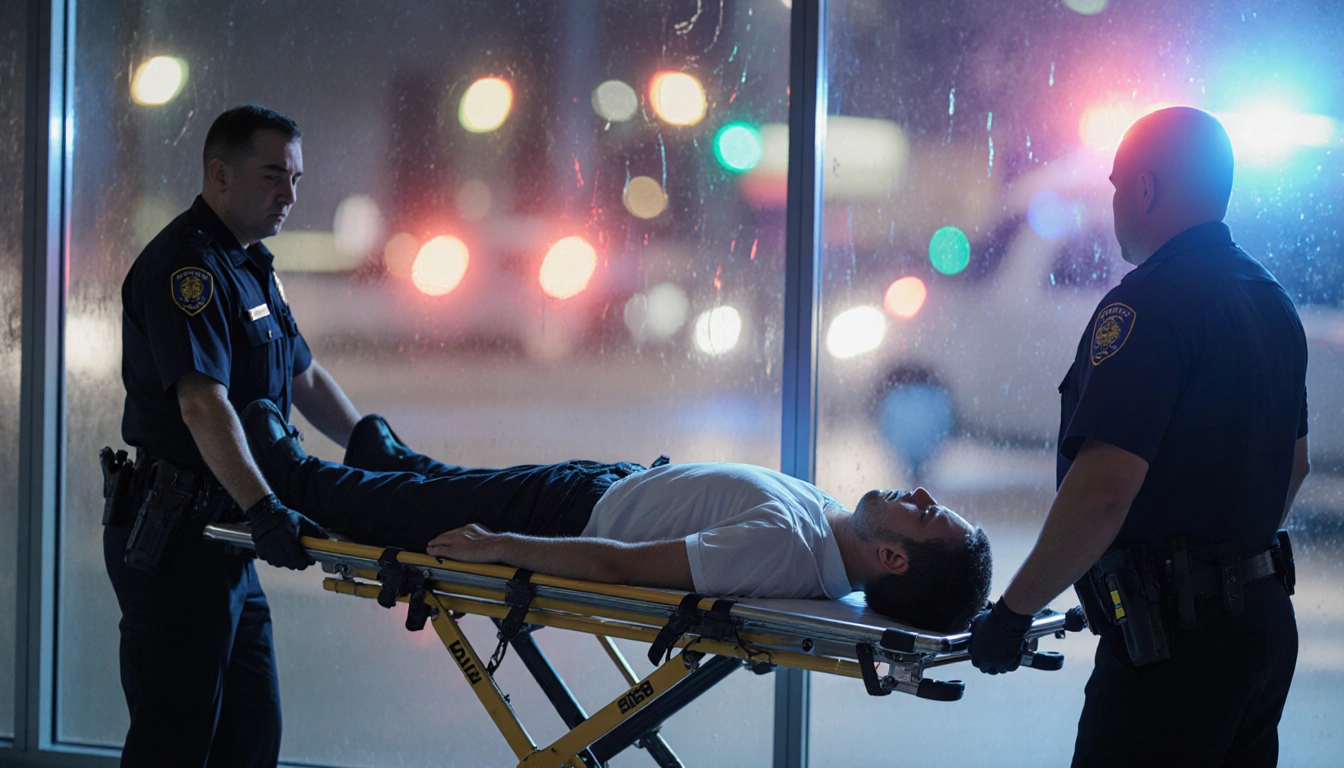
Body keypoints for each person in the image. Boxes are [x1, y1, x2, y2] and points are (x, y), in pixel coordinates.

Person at [968, 107, 1309, 766]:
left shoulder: (1146, 306)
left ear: (1145, 189)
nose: (1116, 200)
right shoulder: (1271, 300)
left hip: (1176, 650)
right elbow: (1292, 466)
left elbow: (1104, 492)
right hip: (1262, 629)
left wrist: (1012, 614)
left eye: (1119, 184)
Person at [240, 398, 994, 633]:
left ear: (893, 559)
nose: (920, 496)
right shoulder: (831, 534)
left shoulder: (781, 551)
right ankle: (390, 456)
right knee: (438, 484)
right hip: (605, 483)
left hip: (570, 511)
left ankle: (289, 469)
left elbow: (619, 566)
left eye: (927, 516)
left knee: (387, 511)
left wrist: (500, 547)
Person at [103, 105, 362, 767]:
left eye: (296, 179)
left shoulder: (250, 266)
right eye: (273, 176)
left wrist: (368, 443)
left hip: (231, 542)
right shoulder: (185, 270)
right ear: (219, 173)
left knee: (251, 738)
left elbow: (304, 376)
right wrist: (262, 505)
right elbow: (201, 405)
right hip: (180, 543)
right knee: (176, 740)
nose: (290, 195)